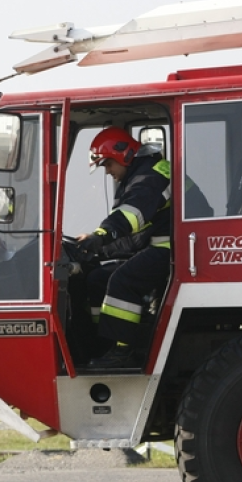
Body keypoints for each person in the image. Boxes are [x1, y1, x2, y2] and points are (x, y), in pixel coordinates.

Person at [76, 127, 171, 368]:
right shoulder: (140, 175)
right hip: (155, 244)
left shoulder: (150, 176)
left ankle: (123, 351)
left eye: (108, 164)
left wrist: (101, 235)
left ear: (124, 155)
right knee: (97, 278)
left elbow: (131, 216)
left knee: (123, 280)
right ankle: (103, 344)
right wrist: (97, 247)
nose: (108, 172)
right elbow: (135, 235)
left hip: (172, 249)